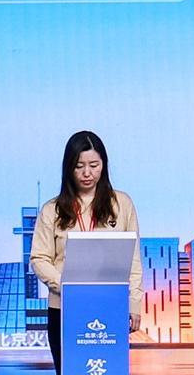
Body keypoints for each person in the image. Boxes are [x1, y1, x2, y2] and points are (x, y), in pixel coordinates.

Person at [27, 130, 144, 362]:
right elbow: (39, 258)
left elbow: (132, 259)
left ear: (104, 165)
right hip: (64, 307)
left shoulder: (122, 204)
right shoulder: (52, 209)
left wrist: (134, 303)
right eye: (79, 166)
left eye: (94, 165)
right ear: (68, 168)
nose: (87, 173)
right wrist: (68, 287)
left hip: (110, 306)